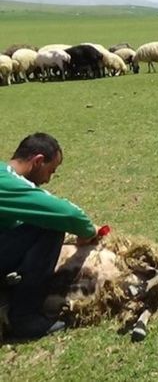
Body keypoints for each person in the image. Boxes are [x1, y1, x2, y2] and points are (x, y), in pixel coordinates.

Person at [0, 133, 100, 338]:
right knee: (50, 225)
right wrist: (89, 232)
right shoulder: (8, 183)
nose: (48, 178)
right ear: (37, 161)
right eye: (50, 170)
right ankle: (25, 318)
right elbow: (68, 214)